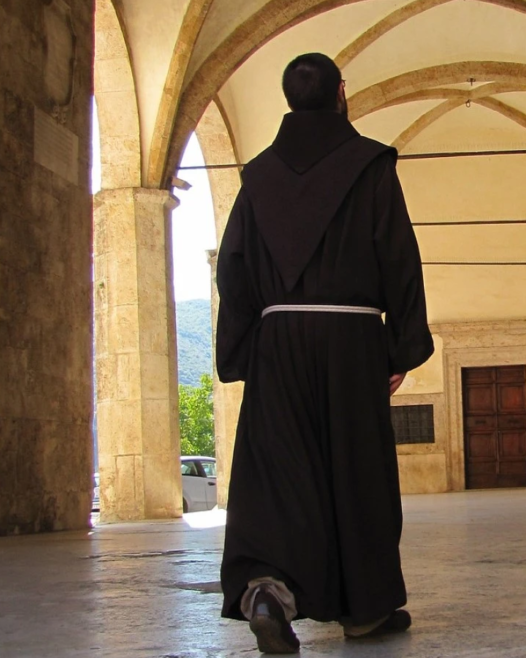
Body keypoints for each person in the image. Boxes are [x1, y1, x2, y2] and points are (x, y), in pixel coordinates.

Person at [215, 52, 434, 654]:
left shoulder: (257, 177)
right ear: (342, 92)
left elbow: (233, 268)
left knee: (278, 472)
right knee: (355, 472)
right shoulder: (370, 165)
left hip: (277, 342)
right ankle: (364, 611)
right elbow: (398, 255)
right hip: (352, 341)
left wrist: (243, 350)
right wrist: (401, 346)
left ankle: (267, 591)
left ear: (290, 99)